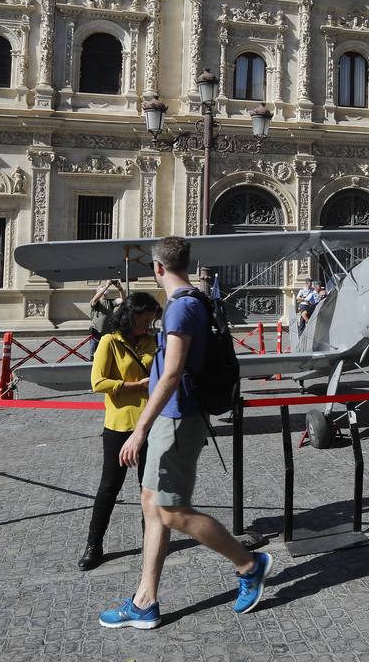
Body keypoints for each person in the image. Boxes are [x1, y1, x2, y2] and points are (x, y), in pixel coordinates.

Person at [99, 237, 274, 630]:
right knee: (151, 503)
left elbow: (173, 372)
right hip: (173, 417)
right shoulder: (196, 301)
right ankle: (145, 601)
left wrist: (140, 428)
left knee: (172, 511)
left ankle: (249, 564)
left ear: (157, 269)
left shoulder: (181, 310)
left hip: (176, 419)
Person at [81, 292, 161, 571]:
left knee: (147, 487)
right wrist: (136, 386)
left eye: (151, 321)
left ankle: (148, 542)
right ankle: (94, 544)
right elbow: (98, 382)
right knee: (109, 486)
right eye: (144, 320)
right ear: (130, 317)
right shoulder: (109, 342)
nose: (147, 327)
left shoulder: (153, 341)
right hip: (119, 424)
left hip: (150, 423)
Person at [88, 280, 122, 357]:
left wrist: (120, 288)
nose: (104, 289)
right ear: (97, 291)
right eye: (101, 288)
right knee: (93, 357)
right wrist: (106, 285)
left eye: (104, 288)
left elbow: (123, 300)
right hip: (96, 334)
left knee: (106, 356)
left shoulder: (111, 302)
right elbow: (94, 300)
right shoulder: (96, 303)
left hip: (107, 334)